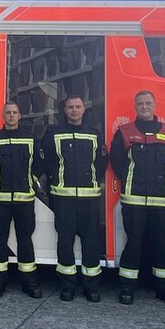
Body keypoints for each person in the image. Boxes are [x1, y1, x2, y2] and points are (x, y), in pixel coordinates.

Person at [109, 90, 165, 306]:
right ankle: (128, 289)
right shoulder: (124, 132)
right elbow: (117, 162)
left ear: (155, 105)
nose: (144, 106)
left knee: (161, 244)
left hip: (162, 200)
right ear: (135, 106)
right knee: (133, 243)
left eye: (148, 103)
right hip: (134, 200)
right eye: (140, 103)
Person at [40, 94, 108, 302]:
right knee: (65, 242)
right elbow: (48, 161)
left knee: (91, 243)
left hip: (89, 198)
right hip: (63, 199)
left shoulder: (95, 135)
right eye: (70, 107)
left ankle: (91, 287)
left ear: (84, 109)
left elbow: (101, 162)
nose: (74, 110)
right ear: (65, 110)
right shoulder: (54, 134)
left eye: (78, 106)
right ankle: (67, 286)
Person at [0, 101, 42, 298]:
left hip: (25, 199)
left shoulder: (31, 139)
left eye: (15, 112)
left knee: (25, 240)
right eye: (8, 113)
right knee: (0, 240)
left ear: (20, 115)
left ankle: (29, 283)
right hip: (0, 199)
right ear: (3, 116)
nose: (12, 115)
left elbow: (40, 164)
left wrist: (31, 181)